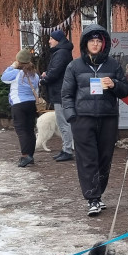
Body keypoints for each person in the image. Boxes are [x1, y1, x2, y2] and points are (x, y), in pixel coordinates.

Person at [62, 23, 128, 216]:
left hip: (108, 118)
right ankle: (92, 198)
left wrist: (114, 84)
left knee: (105, 158)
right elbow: (66, 94)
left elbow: (125, 91)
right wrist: (71, 115)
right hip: (83, 119)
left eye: (98, 41)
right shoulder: (74, 66)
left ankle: (99, 194)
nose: (95, 44)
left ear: (103, 44)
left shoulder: (113, 65)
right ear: (85, 43)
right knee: (87, 159)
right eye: (92, 41)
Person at [1, 48, 41, 167]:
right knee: (30, 130)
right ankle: (30, 155)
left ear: (19, 61)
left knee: (21, 130)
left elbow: (4, 78)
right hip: (31, 103)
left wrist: (12, 66)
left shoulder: (16, 73)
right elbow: (37, 90)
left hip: (19, 104)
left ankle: (25, 156)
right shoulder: (35, 74)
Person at [40, 29, 74, 161]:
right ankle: (66, 148)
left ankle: (67, 150)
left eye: (51, 39)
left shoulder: (61, 53)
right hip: (60, 92)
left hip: (60, 93)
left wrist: (44, 79)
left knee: (63, 123)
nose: (49, 41)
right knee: (63, 122)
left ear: (57, 40)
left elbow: (55, 73)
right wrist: (47, 74)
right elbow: (54, 71)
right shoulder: (62, 52)